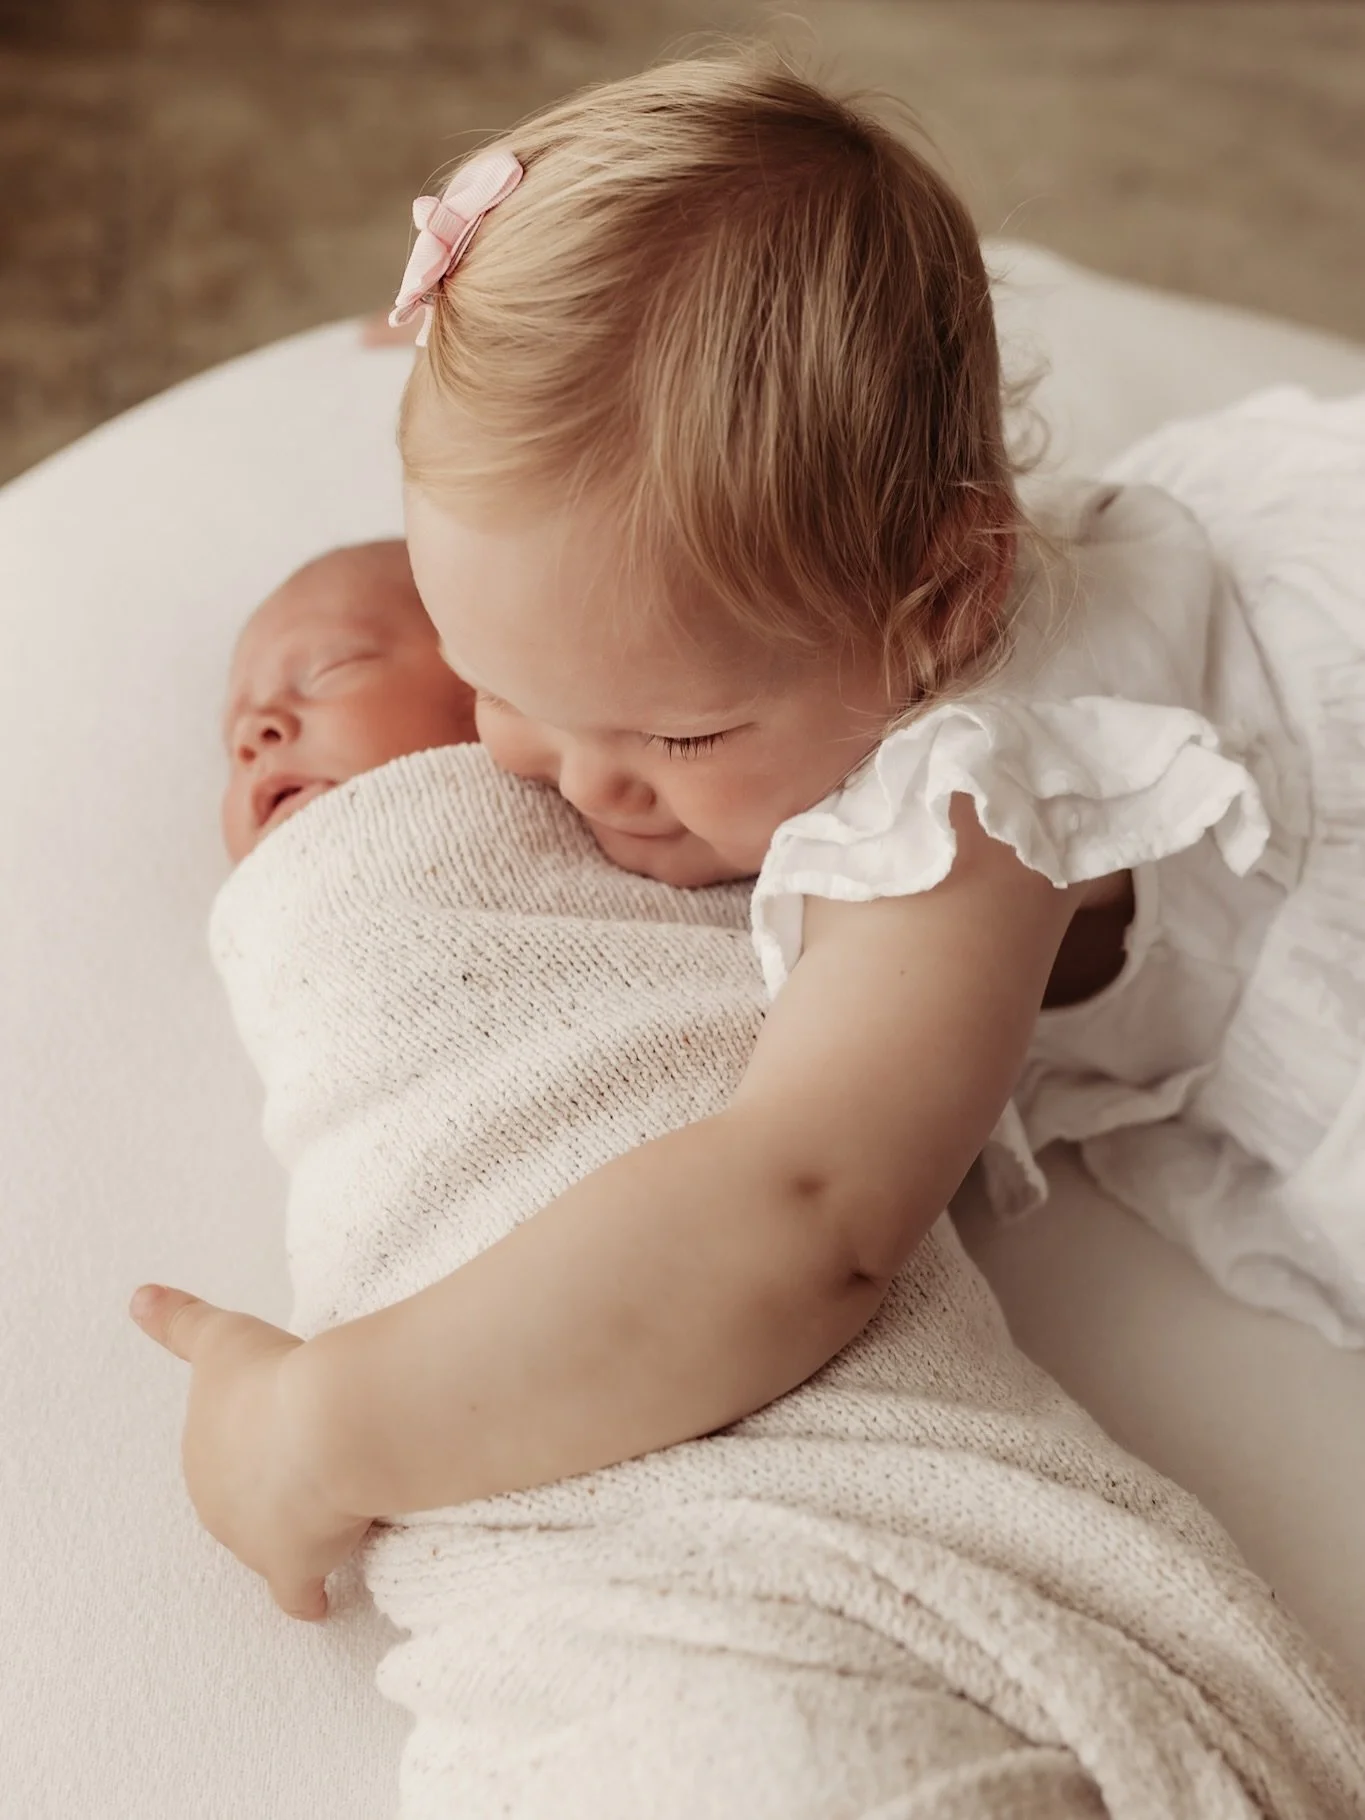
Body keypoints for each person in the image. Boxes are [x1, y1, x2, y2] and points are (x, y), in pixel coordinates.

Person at [129, 47, 1365, 1627]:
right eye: (499, 684)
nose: (582, 784)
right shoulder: (828, 586)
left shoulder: (964, 810)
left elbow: (791, 1221)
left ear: (952, 597)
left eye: (680, 733)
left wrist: (324, 1427)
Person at [220, 539, 477, 863]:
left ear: (484, 677)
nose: (249, 736)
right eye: (230, 745)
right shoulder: (253, 905)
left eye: (328, 669)